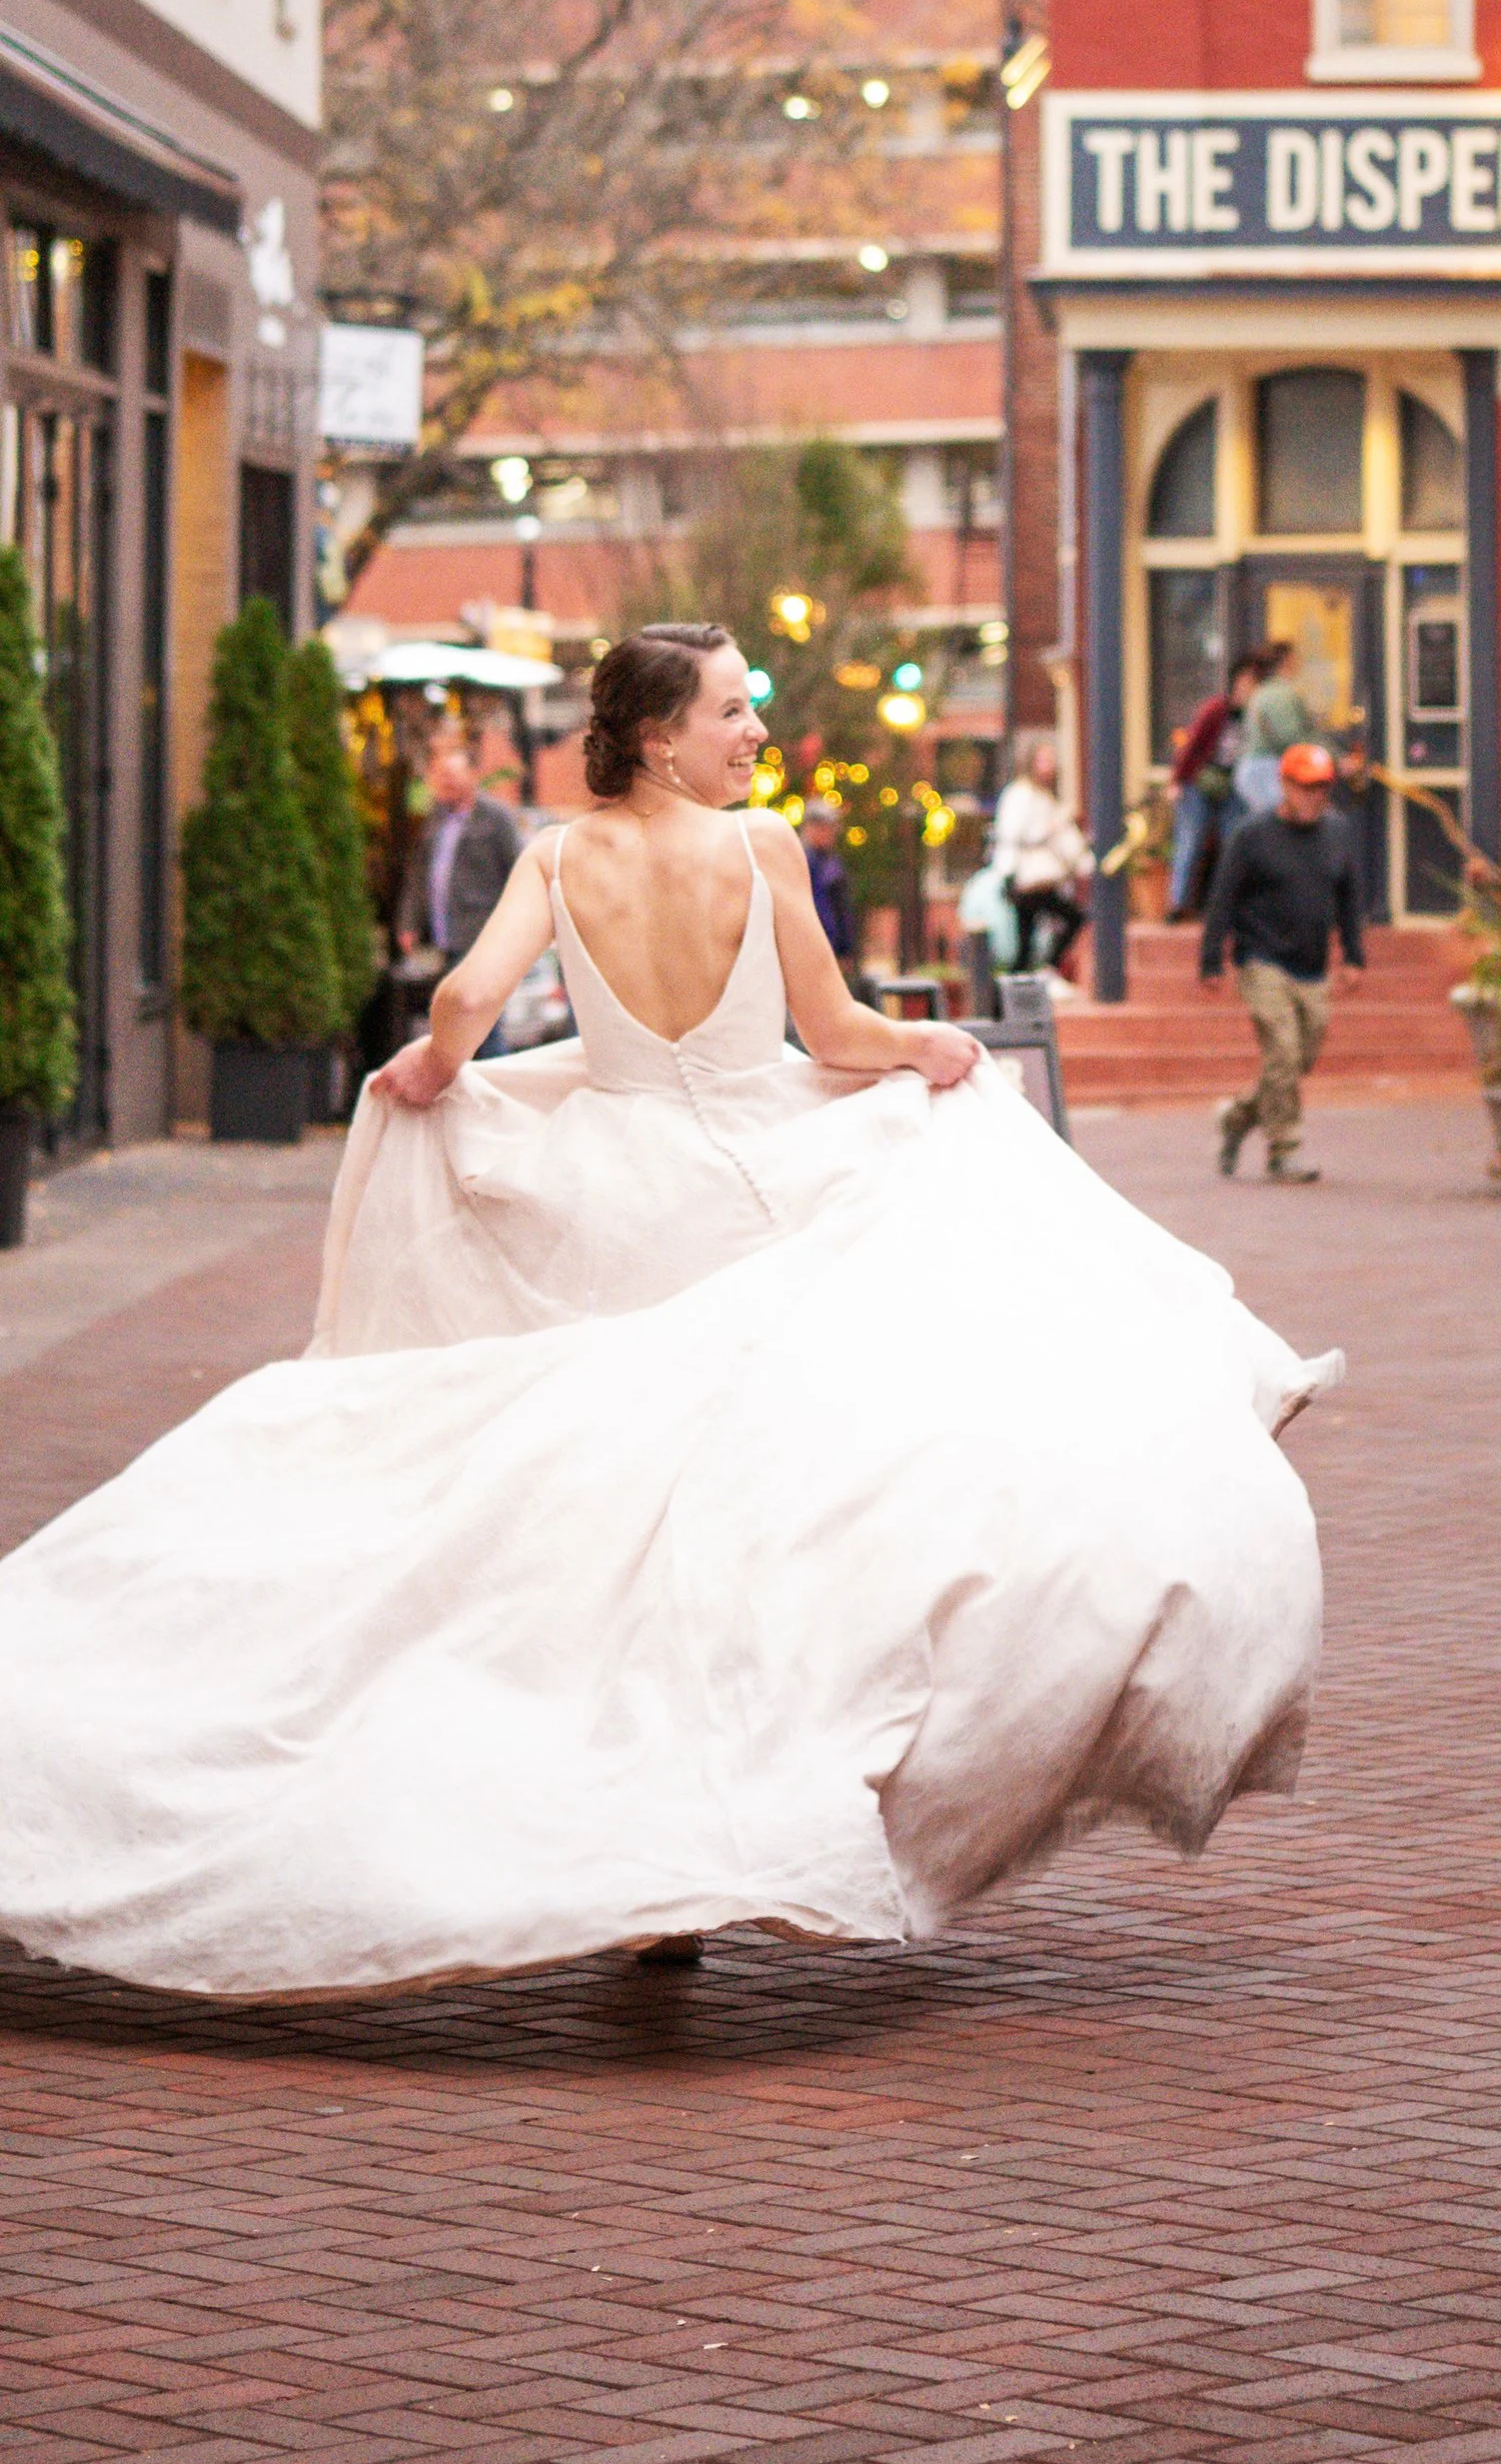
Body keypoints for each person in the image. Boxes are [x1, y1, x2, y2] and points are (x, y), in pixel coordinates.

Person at [0, 622, 1334, 2000]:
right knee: (777, 1506)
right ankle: (708, 1824)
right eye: (729, 712)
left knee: (607, 1533)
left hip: (607, 1196)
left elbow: (466, 998)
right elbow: (832, 1035)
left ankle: (643, 1854)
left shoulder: (559, 855)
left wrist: (426, 1070)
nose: (753, 730)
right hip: (753, 1187)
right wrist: (928, 1046)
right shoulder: (756, 855)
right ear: (656, 735)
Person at [1199, 742, 1364, 1184]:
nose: (1315, 797)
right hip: (1261, 958)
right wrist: (1211, 959)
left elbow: (1349, 897)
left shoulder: (1337, 833)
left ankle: (1237, 1118)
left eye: (1323, 789)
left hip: (1312, 963)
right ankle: (1284, 1150)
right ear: (1285, 785)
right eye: (1307, 787)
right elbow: (1222, 899)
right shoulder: (1252, 836)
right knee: (1283, 1051)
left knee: (1295, 1061)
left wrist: (1353, 954)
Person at [395, 731, 528, 1057]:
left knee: (481, 1027)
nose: (444, 783)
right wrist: (408, 921)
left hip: (481, 939)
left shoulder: (496, 818)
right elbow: (419, 874)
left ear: (473, 775)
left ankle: (497, 1098)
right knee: (461, 1030)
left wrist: (512, 933)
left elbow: (521, 875)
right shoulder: (436, 818)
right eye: (439, 776)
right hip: (444, 940)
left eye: (451, 776)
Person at [989, 734, 1094, 978]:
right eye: (1043, 760)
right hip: (1026, 880)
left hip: (1044, 880)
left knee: (1034, 939)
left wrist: (1083, 861)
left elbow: (1065, 840)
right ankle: (1025, 986)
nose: (1049, 765)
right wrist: (1049, 828)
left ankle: (1038, 975)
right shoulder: (1020, 794)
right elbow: (1012, 834)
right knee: (1032, 938)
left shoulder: (1044, 796)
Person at [1168, 654, 1263, 919]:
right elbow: (1191, 745)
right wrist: (1177, 780)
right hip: (1199, 781)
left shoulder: (1255, 717)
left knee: (1233, 841)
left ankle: (1225, 903)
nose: (1249, 689)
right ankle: (1178, 903)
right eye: (1246, 682)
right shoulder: (1215, 709)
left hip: (1232, 785)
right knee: (1190, 839)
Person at [1233, 642, 1316, 821]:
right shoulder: (1280, 694)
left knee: (1265, 827)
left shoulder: (1263, 691)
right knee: (1278, 827)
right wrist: (1328, 757)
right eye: (1296, 657)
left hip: (1253, 770)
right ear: (1287, 660)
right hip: (1266, 771)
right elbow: (1291, 738)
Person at [799, 799, 858, 974]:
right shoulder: (802, 861)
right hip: (808, 946)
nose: (831, 834)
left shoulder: (832, 863)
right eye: (825, 828)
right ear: (811, 828)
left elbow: (842, 910)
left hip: (829, 948)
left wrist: (844, 950)